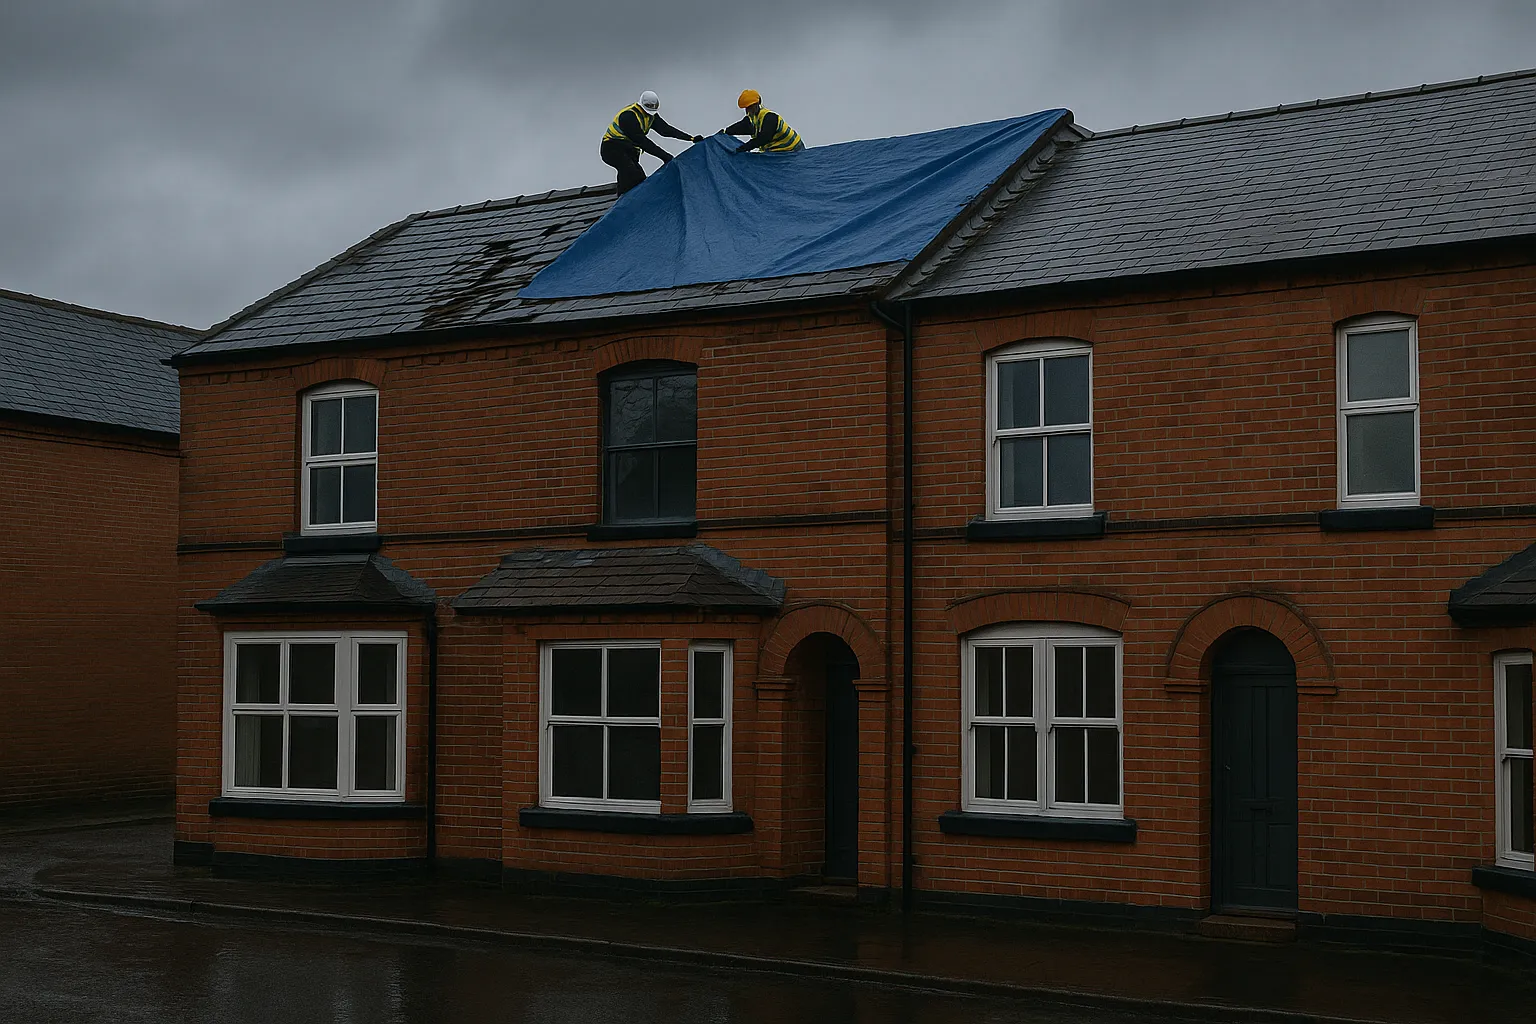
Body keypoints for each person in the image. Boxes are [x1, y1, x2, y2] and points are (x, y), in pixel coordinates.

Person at [600, 91, 702, 195]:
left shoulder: (651, 115)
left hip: (629, 150)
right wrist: (665, 156)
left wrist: (690, 138)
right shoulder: (628, 116)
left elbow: (665, 130)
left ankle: (625, 198)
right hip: (611, 148)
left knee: (638, 178)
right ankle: (622, 201)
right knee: (630, 170)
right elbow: (642, 142)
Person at [721, 90, 804, 153]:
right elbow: (742, 127)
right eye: (747, 108)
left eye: (751, 106)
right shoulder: (752, 118)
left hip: (793, 148)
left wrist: (742, 148)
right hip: (774, 150)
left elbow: (763, 139)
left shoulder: (770, 118)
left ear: (757, 104)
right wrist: (726, 131)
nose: (749, 110)